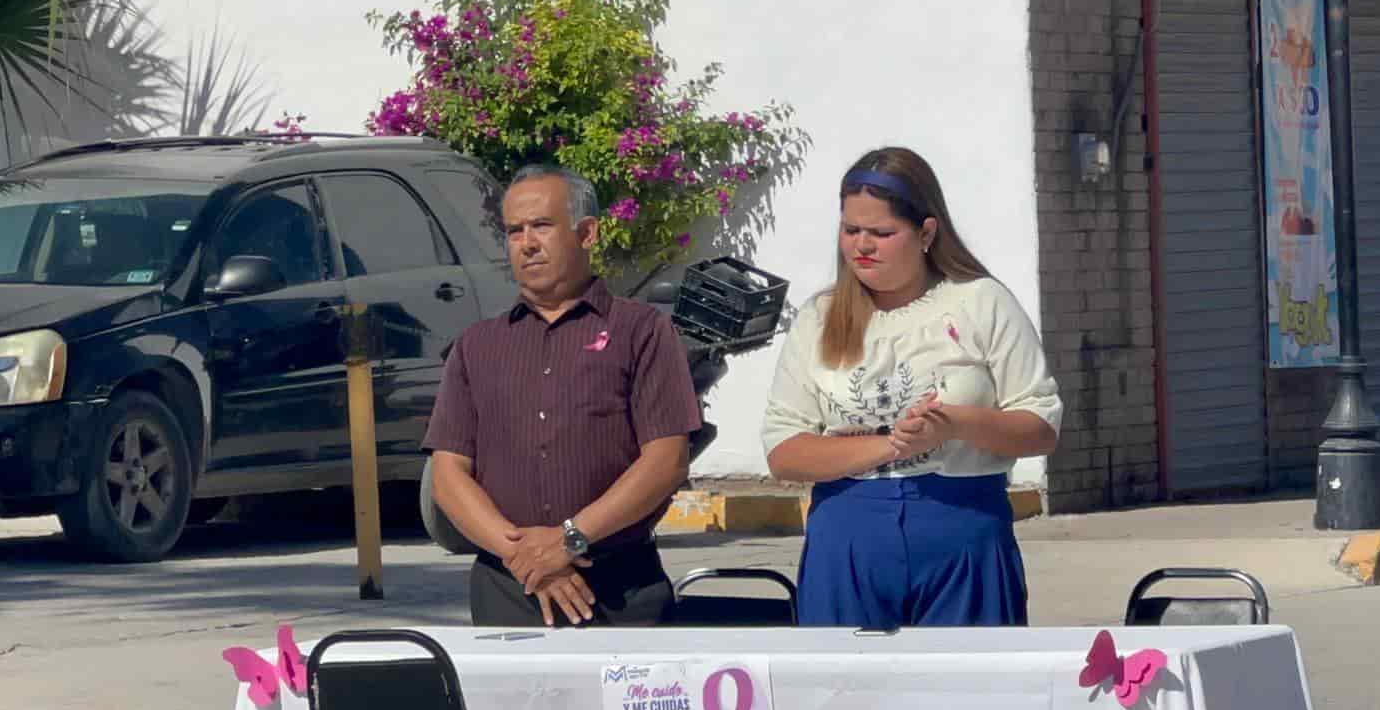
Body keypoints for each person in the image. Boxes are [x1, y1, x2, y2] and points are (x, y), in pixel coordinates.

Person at [760, 146, 1062, 627]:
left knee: (968, 691)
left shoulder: (980, 302)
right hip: (849, 533)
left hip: (960, 525)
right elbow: (784, 450)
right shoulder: (818, 319)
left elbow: (1040, 425)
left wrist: (953, 425)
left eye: (881, 233)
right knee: (844, 694)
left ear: (925, 232)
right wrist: (889, 446)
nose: (862, 246)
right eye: (851, 229)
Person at [422, 165, 701, 627]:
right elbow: (449, 476)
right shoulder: (477, 345)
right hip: (508, 592)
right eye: (514, 231)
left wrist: (569, 540)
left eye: (542, 226)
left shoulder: (642, 332)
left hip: (621, 591)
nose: (527, 243)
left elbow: (665, 460)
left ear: (587, 233)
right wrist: (528, 559)